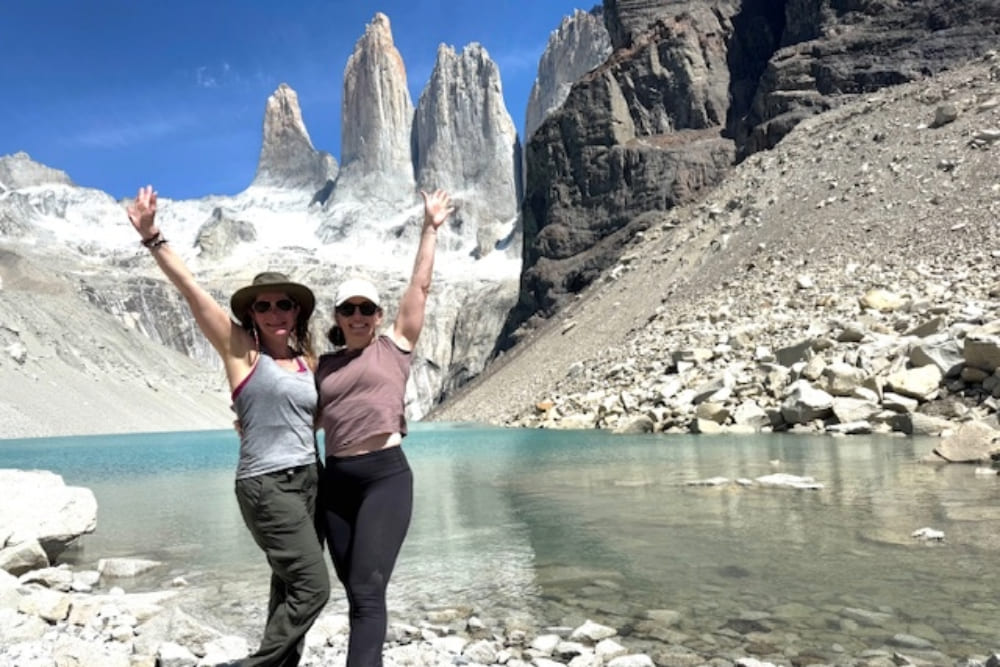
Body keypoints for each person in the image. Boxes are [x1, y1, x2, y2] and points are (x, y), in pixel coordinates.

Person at [126, 185, 330, 667]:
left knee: (286, 586)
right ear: (251, 316)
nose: (275, 312)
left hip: (309, 481)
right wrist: (154, 238)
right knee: (313, 585)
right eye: (263, 306)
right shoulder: (242, 353)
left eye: (283, 304)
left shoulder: (308, 363)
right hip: (266, 485)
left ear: (296, 311)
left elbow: (322, 415)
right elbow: (194, 294)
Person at [316, 188, 454, 667]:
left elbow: (419, 288)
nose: (357, 316)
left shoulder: (394, 347)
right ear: (336, 317)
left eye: (366, 309)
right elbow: (303, 416)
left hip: (384, 477)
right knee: (355, 594)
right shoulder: (323, 367)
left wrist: (429, 229)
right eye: (348, 309)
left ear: (377, 315)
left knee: (367, 589)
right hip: (334, 484)